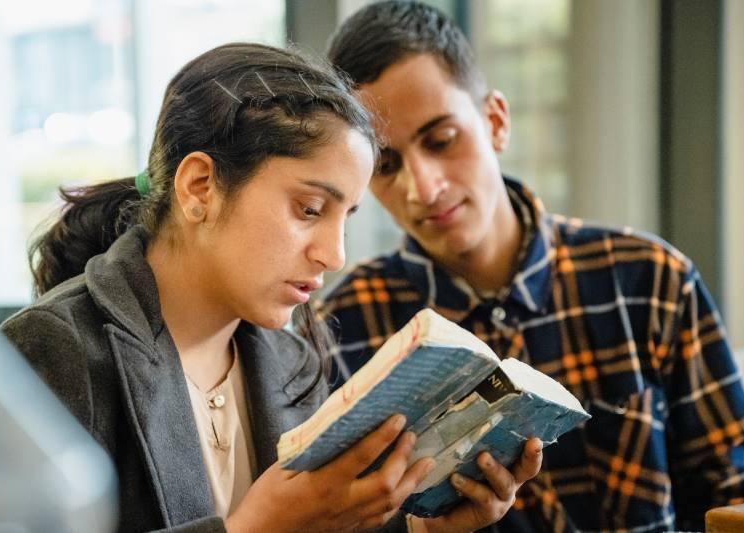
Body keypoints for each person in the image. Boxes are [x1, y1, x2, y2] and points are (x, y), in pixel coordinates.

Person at [0, 42, 540, 532]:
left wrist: (426, 532)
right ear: (200, 187)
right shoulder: (52, 349)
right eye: (309, 209)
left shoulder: (293, 360)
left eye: (344, 217)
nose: (335, 254)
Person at [316, 2, 744, 532]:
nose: (422, 188)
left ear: (495, 122)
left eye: (442, 140)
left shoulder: (651, 281)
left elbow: (733, 490)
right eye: (386, 165)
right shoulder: (341, 326)